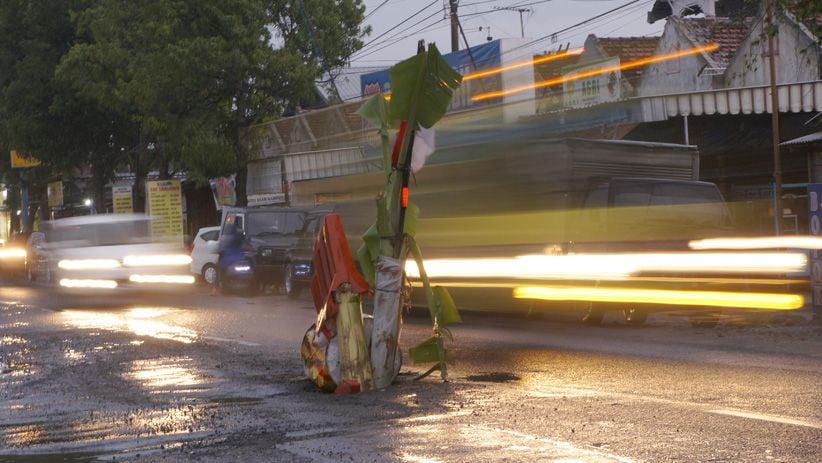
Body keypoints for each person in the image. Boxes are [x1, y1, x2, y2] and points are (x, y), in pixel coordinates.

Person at [214, 219, 245, 294]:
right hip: (240, 258)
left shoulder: (228, 237)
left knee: (219, 270)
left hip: (229, 259)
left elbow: (221, 248)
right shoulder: (241, 234)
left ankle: (216, 288)